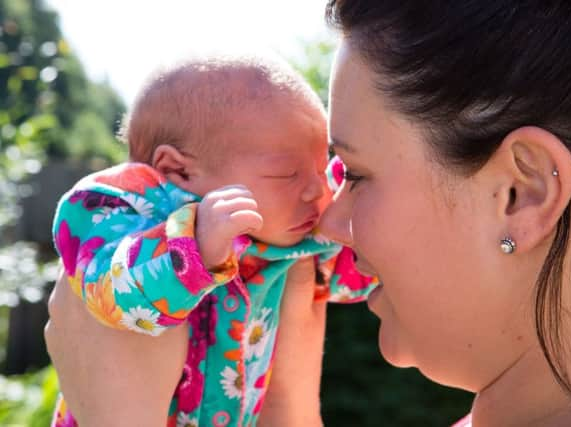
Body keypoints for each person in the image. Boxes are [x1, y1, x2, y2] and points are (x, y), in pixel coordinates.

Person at [46, 0, 571, 425]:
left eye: (350, 174)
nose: (327, 217)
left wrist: (117, 413)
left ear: (519, 193)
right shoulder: (124, 209)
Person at [49, 55, 375, 427]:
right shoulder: (123, 208)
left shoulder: (292, 240)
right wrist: (189, 247)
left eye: (322, 166)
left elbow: (367, 272)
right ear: (179, 170)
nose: (316, 189)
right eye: (287, 173)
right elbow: (110, 291)